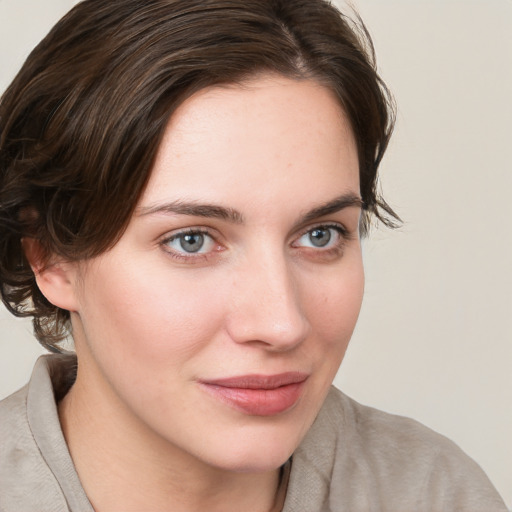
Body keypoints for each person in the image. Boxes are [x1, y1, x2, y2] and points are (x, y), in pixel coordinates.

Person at [0, 0, 507, 510]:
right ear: (51, 259)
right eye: (191, 240)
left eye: (321, 235)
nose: (282, 324)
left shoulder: (436, 494)